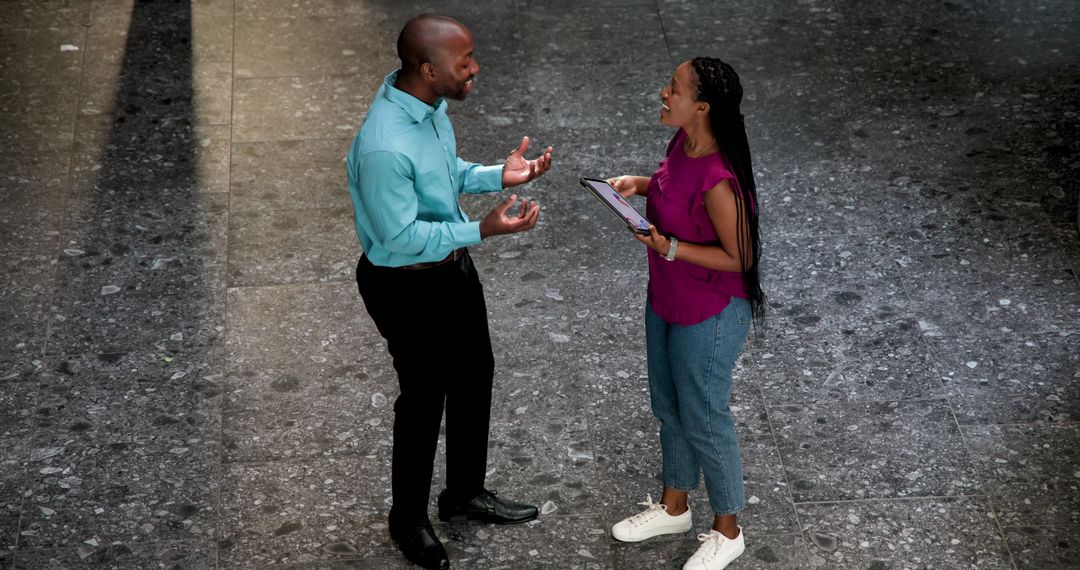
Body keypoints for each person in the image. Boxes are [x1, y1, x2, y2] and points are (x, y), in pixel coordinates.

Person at [345, 14, 554, 570]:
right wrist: (482, 230)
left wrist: (496, 177)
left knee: (474, 373)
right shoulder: (384, 146)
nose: (476, 68)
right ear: (428, 68)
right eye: (465, 62)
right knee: (422, 398)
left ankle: (462, 494)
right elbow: (401, 236)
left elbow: (441, 175)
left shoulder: (429, 107)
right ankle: (407, 519)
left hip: (450, 269)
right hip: (405, 285)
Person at [605, 57, 765, 570]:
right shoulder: (682, 142)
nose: (662, 92)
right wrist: (638, 183)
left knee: (704, 416)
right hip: (667, 298)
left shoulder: (721, 177)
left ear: (701, 107)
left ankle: (728, 528)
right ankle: (674, 506)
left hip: (711, 313)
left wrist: (670, 247)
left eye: (672, 88)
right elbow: (675, 187)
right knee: (669, 405)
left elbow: (740, 256)